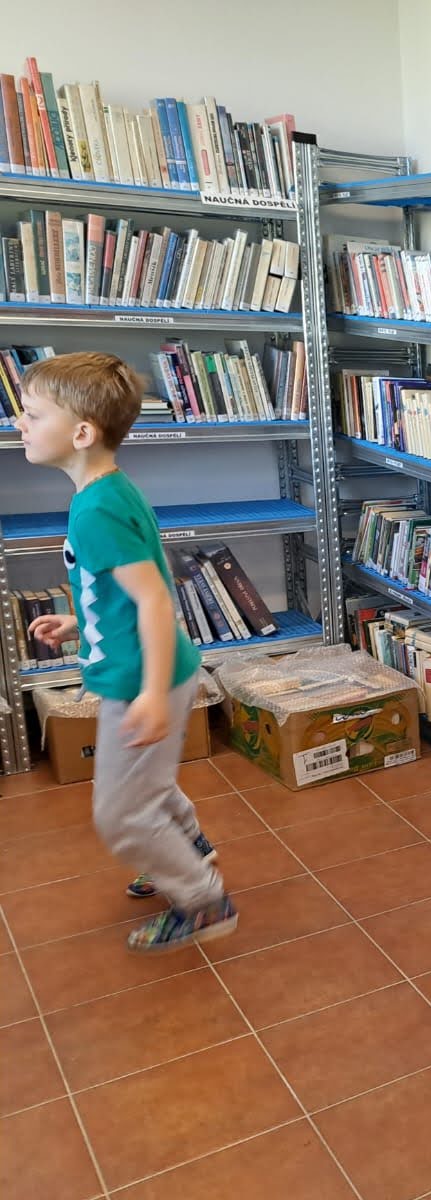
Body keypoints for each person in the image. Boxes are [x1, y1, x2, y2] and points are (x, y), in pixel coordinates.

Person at [18, 352, 235, 954]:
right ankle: (189, 848)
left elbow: (156, 602)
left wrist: (150, 694)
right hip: (146, 669)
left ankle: (202, 901)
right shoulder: (108, 491)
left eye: (33, 414)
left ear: (81, 433)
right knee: (151, 786)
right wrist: (80, 624)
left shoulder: (96, 511)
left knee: (120, 814)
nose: (19, 423)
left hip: (143, 680)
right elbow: (129, 588)